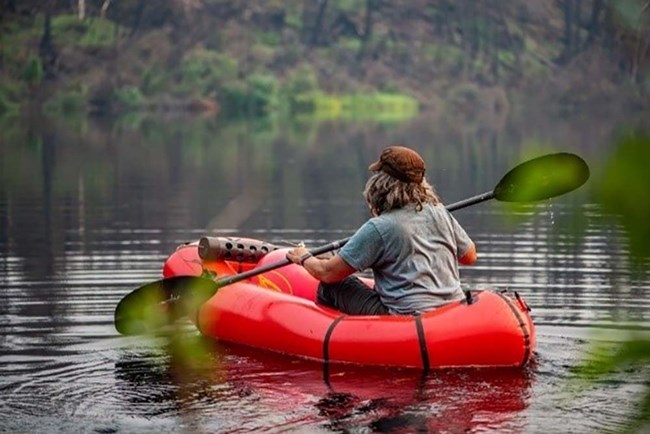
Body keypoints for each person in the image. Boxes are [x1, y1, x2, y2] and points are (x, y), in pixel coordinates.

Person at [286, 145, 477, 315]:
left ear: (382, 182)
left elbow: (327, 273)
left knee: (333, 286)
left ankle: (332, 334)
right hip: (451, 312)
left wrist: (303, 256)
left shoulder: (380, 227)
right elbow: (469, 256)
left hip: (406, 317)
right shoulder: (439, 211)